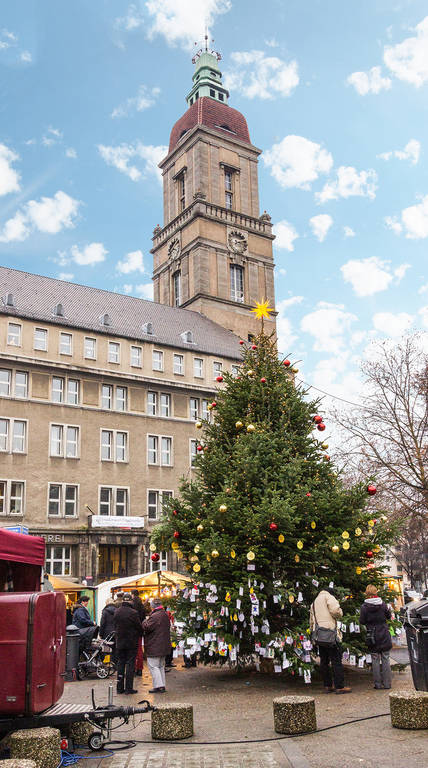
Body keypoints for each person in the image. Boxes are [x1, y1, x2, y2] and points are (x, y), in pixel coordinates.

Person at [310, 587, 351, 694]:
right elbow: (336, 611)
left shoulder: (314, 601)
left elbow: (311, 620)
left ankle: (327, 685)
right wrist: (340, 613)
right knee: (336, 660)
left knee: (324, 661)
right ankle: (339, 686)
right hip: (330, 633)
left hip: (319, 635)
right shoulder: (329, 597)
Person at [360, 584, 392, 690]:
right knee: (386, 658)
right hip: (384, 633)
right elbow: (388, 616)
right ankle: (387, 684)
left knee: (375, 660)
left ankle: (377, 684)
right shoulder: (382, 604)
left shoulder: (364, 607)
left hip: (372, 635)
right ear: (376, 592)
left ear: (367, 593)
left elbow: (362, 621)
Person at [113, 592, 143, 695]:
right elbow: (139, 627)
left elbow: (115, 625)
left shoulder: (117, 611)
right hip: (131, 642)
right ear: (130, 601)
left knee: (120, 663)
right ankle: (128, 688)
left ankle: (119, 688)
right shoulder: (133, 612)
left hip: (120, 641)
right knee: (130, 664)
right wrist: (140, 633)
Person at [142, 598, 172, 693]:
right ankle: (161, 685)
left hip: (154, 645)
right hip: (163, 645)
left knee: (153, 666)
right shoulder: (164, 614)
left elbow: (147, 627)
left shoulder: (155, 616)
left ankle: (159, 686)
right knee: (160, 666)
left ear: (152, 606)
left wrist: (144, 622)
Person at [131, 590, 146, 676]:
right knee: (139, 650)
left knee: (133, 651)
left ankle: (134, 668)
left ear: (132, 595)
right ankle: (140, 669)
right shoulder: (141, 605)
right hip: (140, 630)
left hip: (133, 631)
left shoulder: (132, 605)